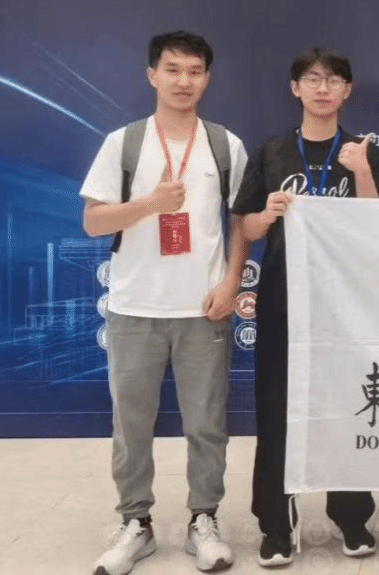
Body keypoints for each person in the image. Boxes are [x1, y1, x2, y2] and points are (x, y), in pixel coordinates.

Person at [81, 31, 248, 575]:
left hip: (203, 309)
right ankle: (135, 523)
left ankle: (204, 520)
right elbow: (93, 221)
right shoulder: (124, 143)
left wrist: (230, 283)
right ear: (152, 75)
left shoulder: (225, 145)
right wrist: (152, 202)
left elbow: (241, 222)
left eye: (195, 71)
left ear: (208, 79)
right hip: (134, 308)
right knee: (131, 426)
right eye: (173, 70)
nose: (183, 81)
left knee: (207, 424)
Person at [232, 49, 379, 567]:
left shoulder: (364, 151)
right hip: (283, 301)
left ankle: (351, 517)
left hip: (347, 304)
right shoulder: (272, 151)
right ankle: (276, 525)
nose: (323, 89)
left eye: (334, 80)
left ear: (348, 90)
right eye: (312, 79)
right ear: (295, 88)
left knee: (349, 406)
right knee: (278, 409)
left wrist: (361, 172)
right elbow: (246, 227)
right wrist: (266, 215)